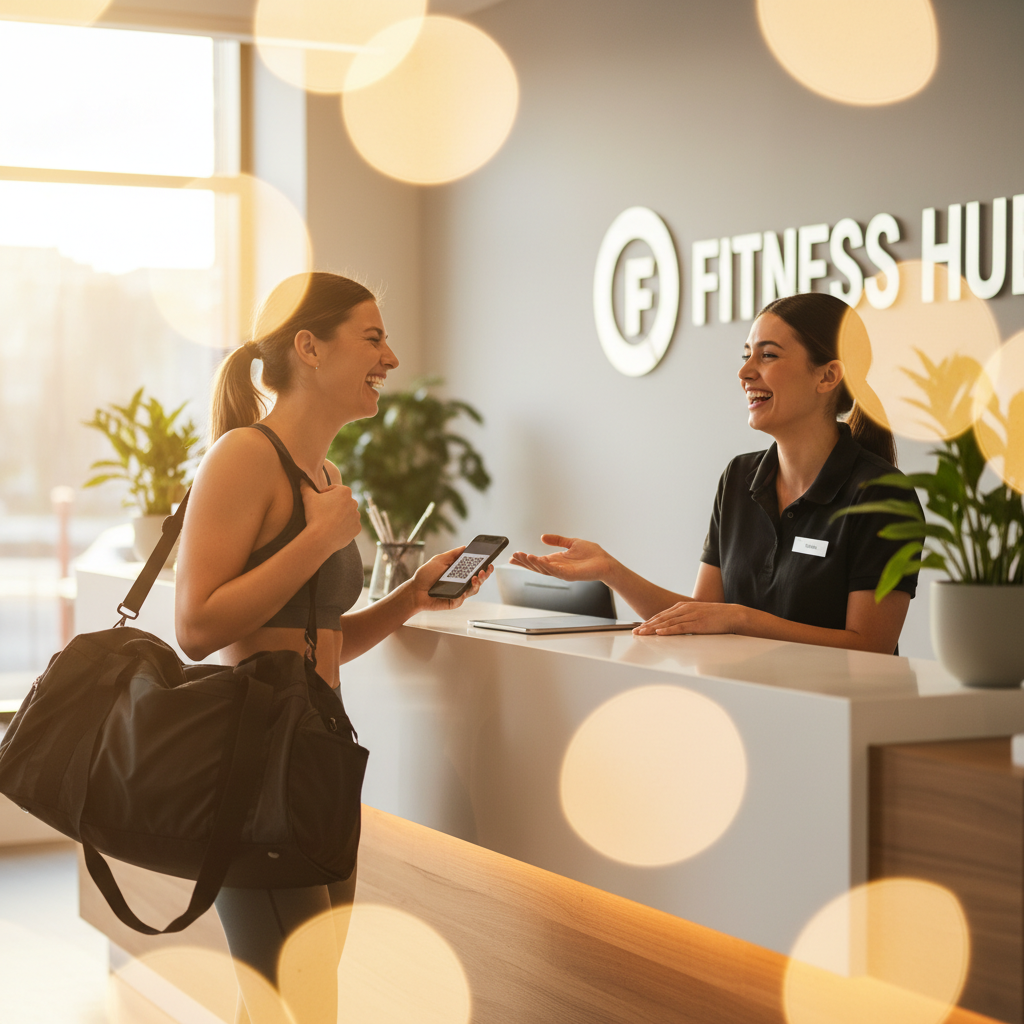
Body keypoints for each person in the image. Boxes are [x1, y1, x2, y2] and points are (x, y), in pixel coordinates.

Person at [174, 272, 492, 1024]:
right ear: (309, 347)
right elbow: (197, 626)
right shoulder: (242, 459)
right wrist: (319, 536)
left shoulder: (327, 475)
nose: (391, 356)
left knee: (289, 1004)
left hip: (319, 756)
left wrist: (410, 598)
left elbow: (315, 642)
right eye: (373, 337)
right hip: (256, 768)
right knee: (305, 1007)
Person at [511, 292, 920, 655]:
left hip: (838, 718)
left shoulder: (882, 494)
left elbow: (871, 646)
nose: (745, 373)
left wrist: (742, 620)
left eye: (768, 355)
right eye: (747, 355)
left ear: (828, 375)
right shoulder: (739, 477)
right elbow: (700, 617)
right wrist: (610, 571)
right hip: (741, 705)